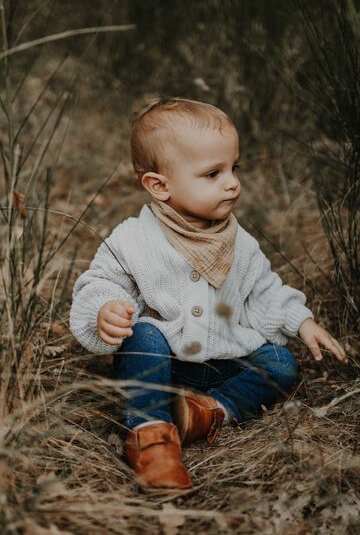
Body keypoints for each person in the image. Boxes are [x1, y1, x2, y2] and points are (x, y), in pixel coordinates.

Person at [69, 97, 348, 491]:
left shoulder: (241, 243)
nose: (232, 182)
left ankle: (208, 410)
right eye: (213, 173)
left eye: (235, 168)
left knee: (281, 363)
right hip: (164, 362)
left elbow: (263, 290)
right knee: (144, 336)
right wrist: (104, 309)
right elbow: (101, 281)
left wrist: (300, 321)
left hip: (222, 360)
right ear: (159, 186)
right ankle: (150, 436)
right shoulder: (134, 240)